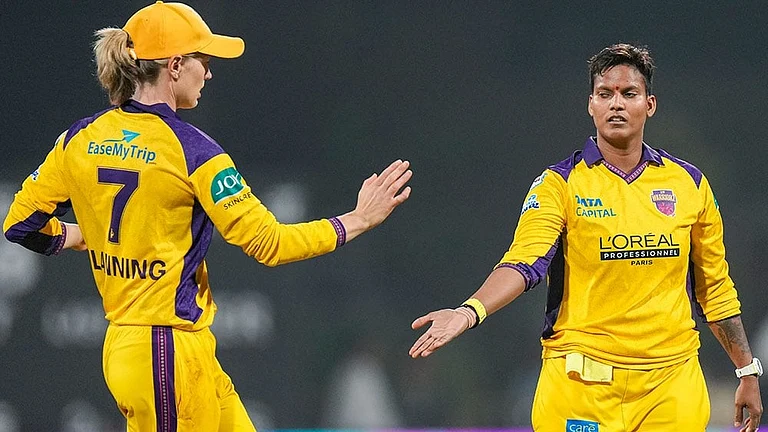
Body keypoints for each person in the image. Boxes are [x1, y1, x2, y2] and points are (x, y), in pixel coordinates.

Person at [2, 2, 412, 431]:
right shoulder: (194, 151)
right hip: (166, 351)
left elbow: (20, 224)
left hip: (142, 348)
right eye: (205, 61)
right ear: (176, 65)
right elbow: (271, 244)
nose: (210, 74)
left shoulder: (80, 138)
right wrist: (358, 219)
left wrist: (79, 234)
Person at [409, 43, 762, 431]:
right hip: (580, 385)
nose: (616, 104)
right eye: (605, 94)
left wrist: (746, 370)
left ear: (649, 105)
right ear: (591, 105)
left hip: (670, 385)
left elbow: (714, 287)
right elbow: (524, 262)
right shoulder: (558, 185)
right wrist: (468, 312)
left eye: (629, 94)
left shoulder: (689, 184)